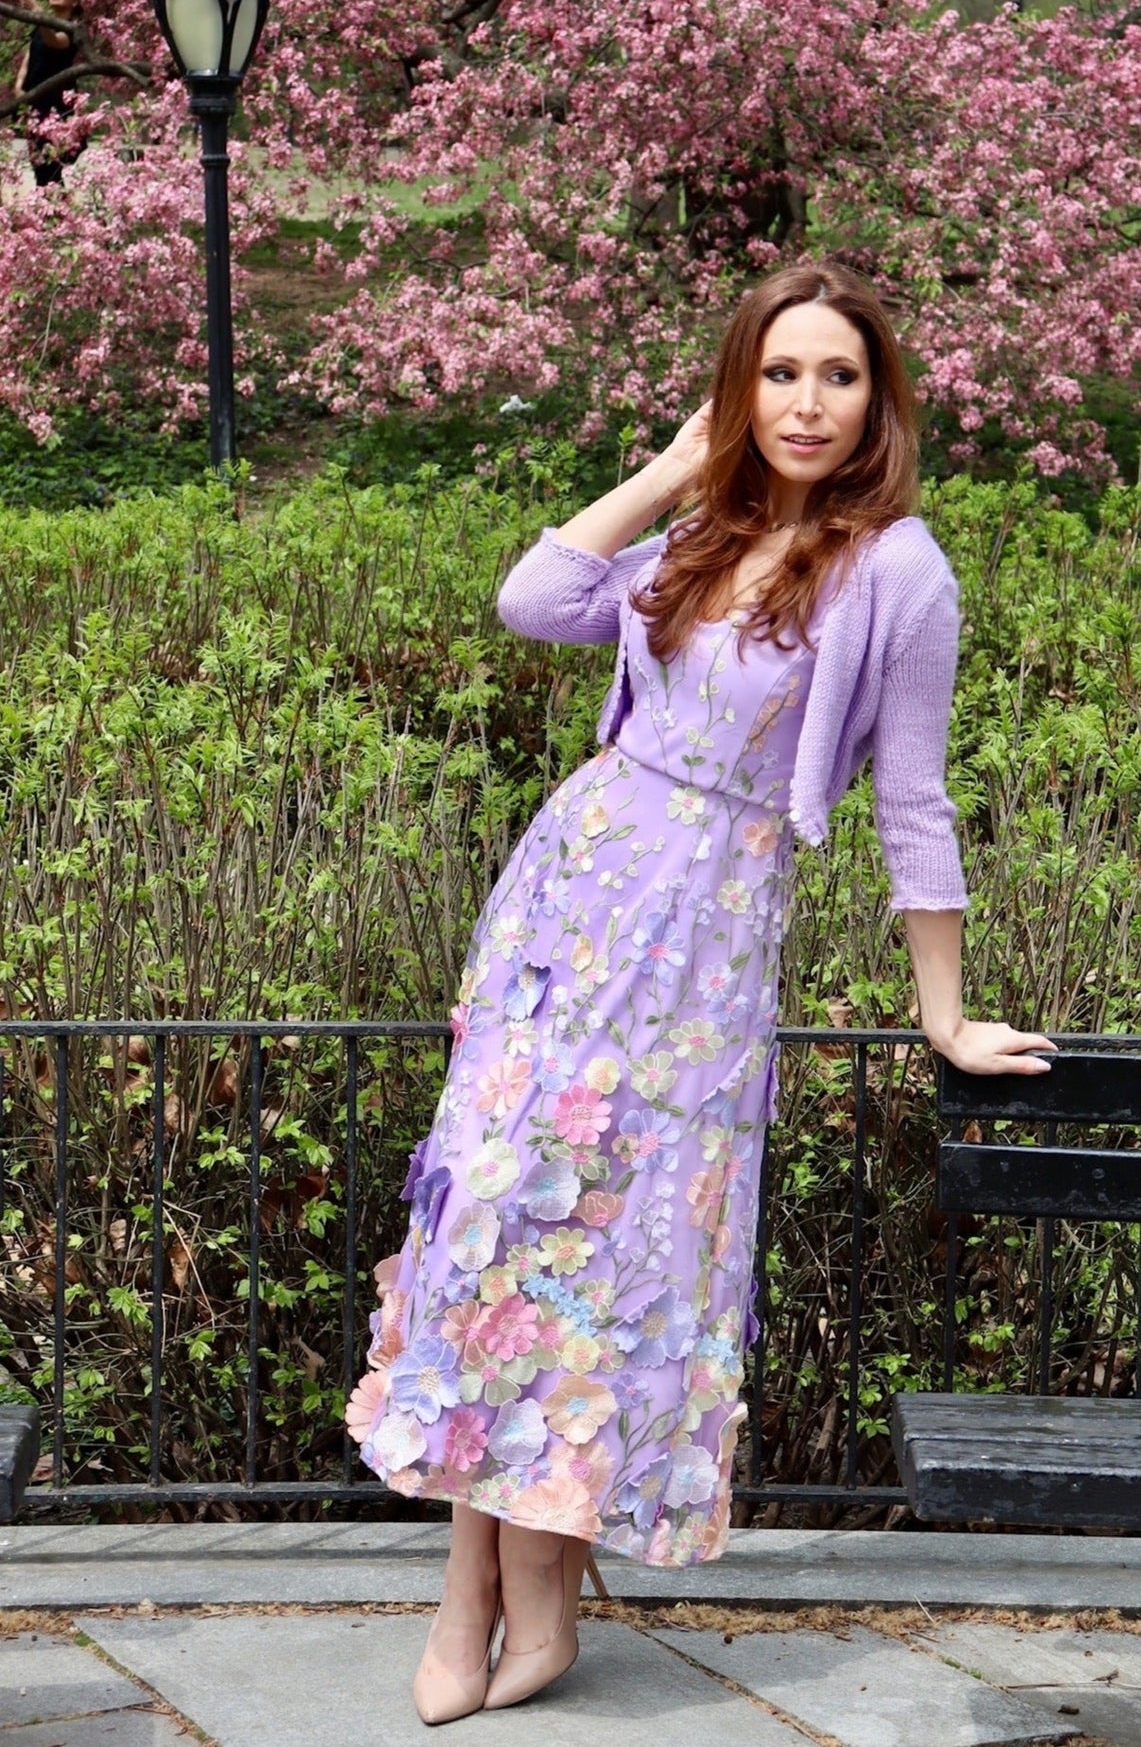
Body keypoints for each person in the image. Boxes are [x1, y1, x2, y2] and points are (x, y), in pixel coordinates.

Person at [346, 262, 1057, 1723]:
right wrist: (675, 461)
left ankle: (502, 1592)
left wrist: (944, 1008)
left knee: (596, 1266)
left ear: (880, 400)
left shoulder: (899, 569)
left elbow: (911, 799)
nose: (807, 402)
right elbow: (531, 596)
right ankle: (495, 1590)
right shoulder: (703, 521)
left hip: (701, 948)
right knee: (496, 1225)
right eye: (780, 372)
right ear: (742, 385)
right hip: (565, 914)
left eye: (838, 376)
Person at [13, 0, 84, 189]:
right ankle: (49, 216)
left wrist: (39, 14)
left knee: (51, 168)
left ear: (75, 2)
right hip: (33, 104)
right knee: (38, 168)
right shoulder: (40, 28)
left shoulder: (72, 29)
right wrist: (18, 88)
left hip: (55, 108)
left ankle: (55, 215)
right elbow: (28, 60)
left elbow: (55, 41)